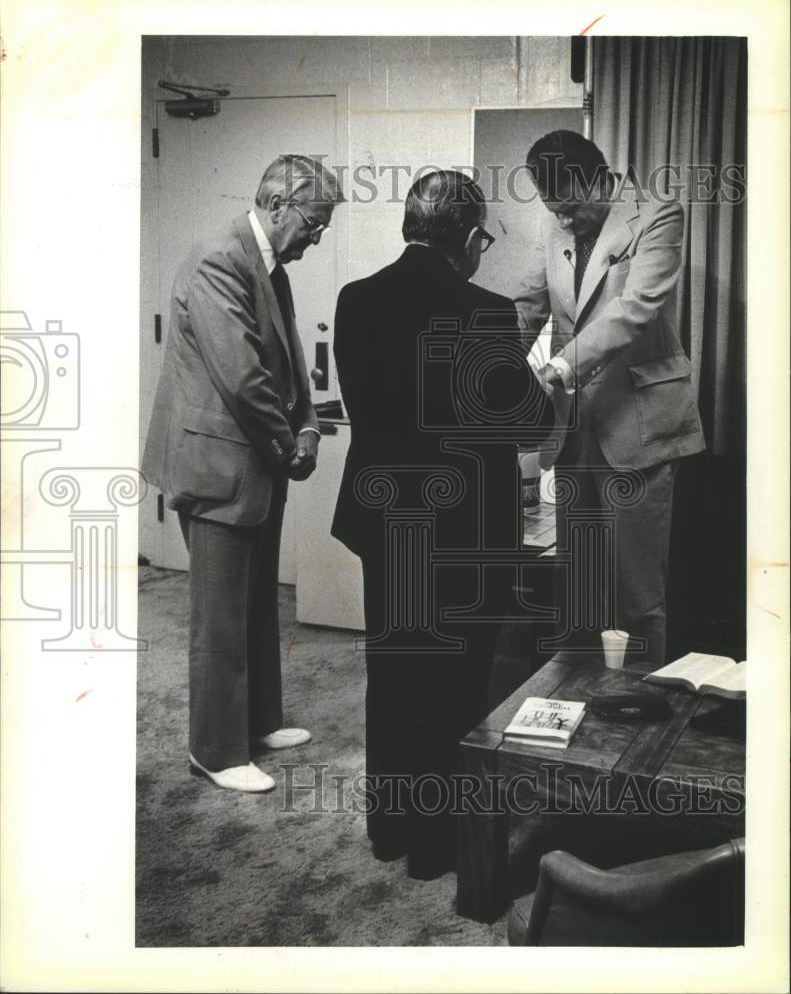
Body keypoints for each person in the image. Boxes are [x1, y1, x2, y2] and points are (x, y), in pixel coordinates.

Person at [332, 170, 549, 878]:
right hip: (463, 530)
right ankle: (436, 846)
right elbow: (523, 423)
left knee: (393, 676)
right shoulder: (484, 312)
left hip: (387, 519)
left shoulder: (356, 301)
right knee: (457, 683)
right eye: (481, 239)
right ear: (469, 236)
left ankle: (391, 828)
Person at [143, 154, 344, 792]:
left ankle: (256, 723)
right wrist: (290, 446)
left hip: (256, 460)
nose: (318, 234)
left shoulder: (270, 267)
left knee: (255, 604)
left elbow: (287, 359)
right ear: (278, 204)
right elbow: (243, 379)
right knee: (220, 614)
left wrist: (309, 427)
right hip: (218, 463)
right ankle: (216, 748)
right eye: (314, 221)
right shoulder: (218, 259)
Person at [514, 130, 705, 667]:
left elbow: (635, 308)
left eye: (571, 207)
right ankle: (572, 706)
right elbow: (528, 303)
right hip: (575, 426)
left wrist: (559, 365)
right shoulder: (555, 225)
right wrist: (487, 359)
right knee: (578, 586)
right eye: (556, 212)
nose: (565, 221)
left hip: (637, 425)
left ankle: (636, 719)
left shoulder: (657, 214)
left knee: (638, 593)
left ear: (597, 177)